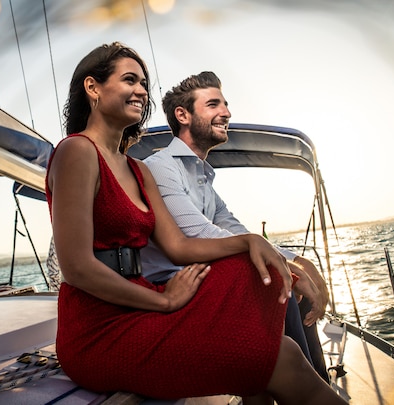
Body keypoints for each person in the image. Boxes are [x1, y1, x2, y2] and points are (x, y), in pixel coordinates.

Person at [45, 41, 347, 404]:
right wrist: (165, 303)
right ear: (93, 87)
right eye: (129, 80)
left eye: (144, 83)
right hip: (101, 327)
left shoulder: (139, 169)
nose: (141, 90)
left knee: (255, 273)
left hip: (144, 303)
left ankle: (261, 368)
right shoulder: (76, 151)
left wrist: (251, 242)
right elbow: (76, 268)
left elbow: (180, 246)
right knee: (280, 358)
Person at [140, 71, 329, 381]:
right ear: (182, 115)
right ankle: (306, 390)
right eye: (213, 104)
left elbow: (235, 230)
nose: (226, 112)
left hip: (206, 281)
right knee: (278, 282)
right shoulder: (161, 167)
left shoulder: (203, 178)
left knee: (293, 283)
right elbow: (197, 234)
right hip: (173, 288)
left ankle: (317, 383)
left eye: (225, 105)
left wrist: (296, 259)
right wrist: (289, 270)